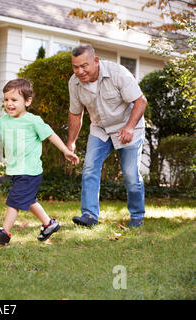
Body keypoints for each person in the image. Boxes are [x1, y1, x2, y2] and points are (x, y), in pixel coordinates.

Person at [0, 78, 79, 245]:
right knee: (29, 201)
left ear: (27, 101)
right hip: (15, 170)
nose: (9, 104)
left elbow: (50, 135)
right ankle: (50, 224)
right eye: (6, 100)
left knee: (13, 201)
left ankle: (4, 234)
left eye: (14, 100)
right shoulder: (2, 120)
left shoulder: (33, 120)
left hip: (30, 171)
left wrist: (66, 150)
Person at [66, 44, 148, 228]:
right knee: (89, 168)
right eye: (75, 66)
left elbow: (140, 101)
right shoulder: (75, 83)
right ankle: (89, 215)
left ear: (96, 61)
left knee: (130, 175)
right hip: (100, 128)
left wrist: (129, 127)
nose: (79, 71)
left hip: (127, 127)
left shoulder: (118, 73)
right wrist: (71, 142)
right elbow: (75, 114)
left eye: (84, 66)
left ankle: (136, 216)